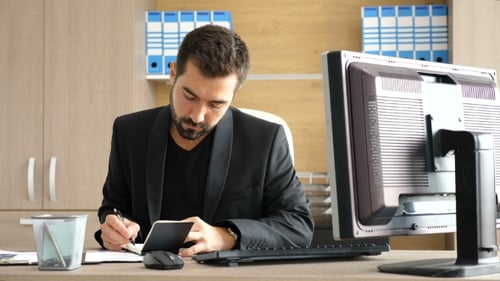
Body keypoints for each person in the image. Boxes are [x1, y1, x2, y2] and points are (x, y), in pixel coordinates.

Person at [95, 24, 314, 257]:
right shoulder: (129, 132)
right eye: (189, 96)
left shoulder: (265, 141)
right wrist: (114, 229)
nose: (197, 116)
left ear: (234, 95)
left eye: (216, 104)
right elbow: (114, 208)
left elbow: (298, 226)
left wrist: (225, 236)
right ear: (172, 73)